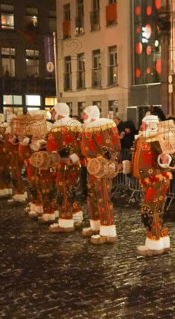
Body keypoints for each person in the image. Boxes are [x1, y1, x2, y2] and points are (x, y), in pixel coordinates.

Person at [132, 115, 175, 256]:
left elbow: (168, 156)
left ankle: (154, 242)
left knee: (148, 210)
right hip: (149, 181)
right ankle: (162, 239)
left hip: (158, 180)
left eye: (143, 124)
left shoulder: (158, 137)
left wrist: (165, 158)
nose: (141, 126)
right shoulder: (142, 138)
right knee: (157, 211)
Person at [79, 105, 121, 244]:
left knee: (103, 197)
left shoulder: (99, 127)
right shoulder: (88, 128)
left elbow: (108, 147)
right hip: (92, 167)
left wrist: (107, 155)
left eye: (84, 114)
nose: (82, 117)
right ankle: (95, 225)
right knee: (92, 196)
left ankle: (108, 229)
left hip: (101, 168)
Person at [47, 103, 84, 233]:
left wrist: (58, 157)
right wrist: (75, 157)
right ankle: (76, 215)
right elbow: (81, 144)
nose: (52, 114)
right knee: (71, 189)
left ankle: (66, 221)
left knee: (63, 190)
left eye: (53, 111)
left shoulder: (59, 126)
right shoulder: (77, 125)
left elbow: (57, 146)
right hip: (73, 163)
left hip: (63, 164)